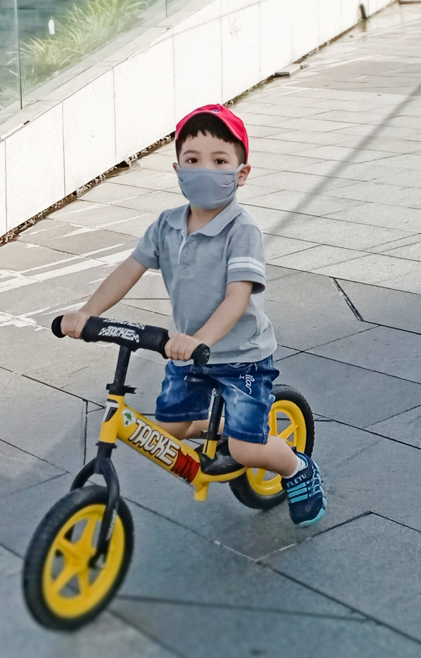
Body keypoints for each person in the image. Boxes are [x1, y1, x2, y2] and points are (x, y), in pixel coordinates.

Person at [60, 104, 326, 526]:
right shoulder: (166, 225)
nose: (205, 170)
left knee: (246, 450)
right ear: (178, 169)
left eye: (219, 161)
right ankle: (220, 427)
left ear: (241, 173)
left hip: (241, 357)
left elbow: (238, 297)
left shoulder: (242, 231)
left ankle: (298, 470)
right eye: (193, 160)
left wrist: (201, 337)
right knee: (171, 430)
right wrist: (87, 312)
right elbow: (128, 270)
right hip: (188, 355)